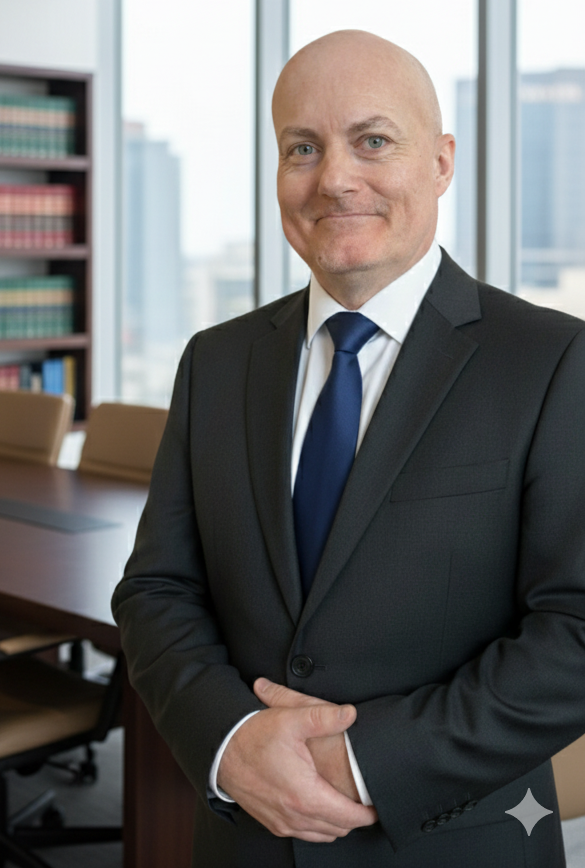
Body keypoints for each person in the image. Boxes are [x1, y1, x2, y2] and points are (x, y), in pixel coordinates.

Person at [112, 29, 585, 868]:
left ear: (440, 163)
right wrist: (231, 742)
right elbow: (156, 588)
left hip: (452, 840)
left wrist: (362, 760)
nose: (334, 178)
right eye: (302, 147)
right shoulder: (216, 361)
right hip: (244, 836)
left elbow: (576, 631)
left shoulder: (553, 360)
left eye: (372, 140)